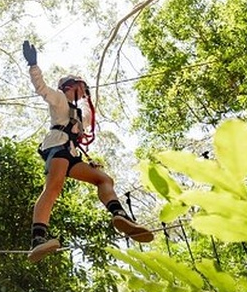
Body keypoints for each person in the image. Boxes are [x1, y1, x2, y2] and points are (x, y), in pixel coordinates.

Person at [22, 40, 153, 262]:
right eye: (81, 88)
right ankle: (38, 239)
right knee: (53, 188)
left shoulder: (81, 114)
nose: (84, 93)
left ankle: (120, 216)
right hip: (58, 147)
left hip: (71, 154)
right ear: (70, 86)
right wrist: (34, 65)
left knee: (104, 179)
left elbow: (82, 131)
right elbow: (42, 89)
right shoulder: (60, 100)